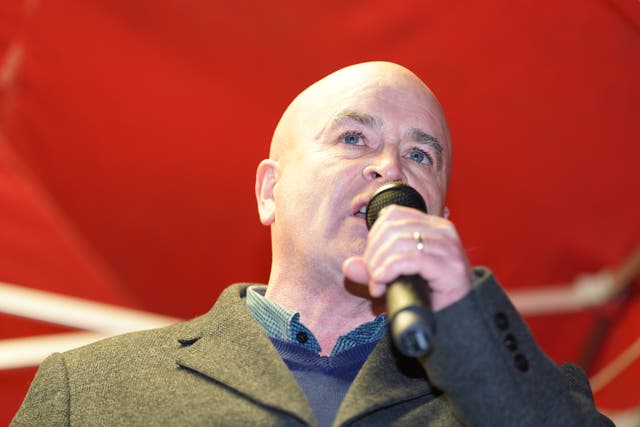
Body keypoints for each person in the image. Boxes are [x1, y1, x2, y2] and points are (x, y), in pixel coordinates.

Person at [11, 62, 613, 426]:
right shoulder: (88, 389)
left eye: (421, 155)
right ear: (270, 191)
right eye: (354, 137)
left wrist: (465, 318)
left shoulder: (529, 394)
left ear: (443, 219)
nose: (391, 169)